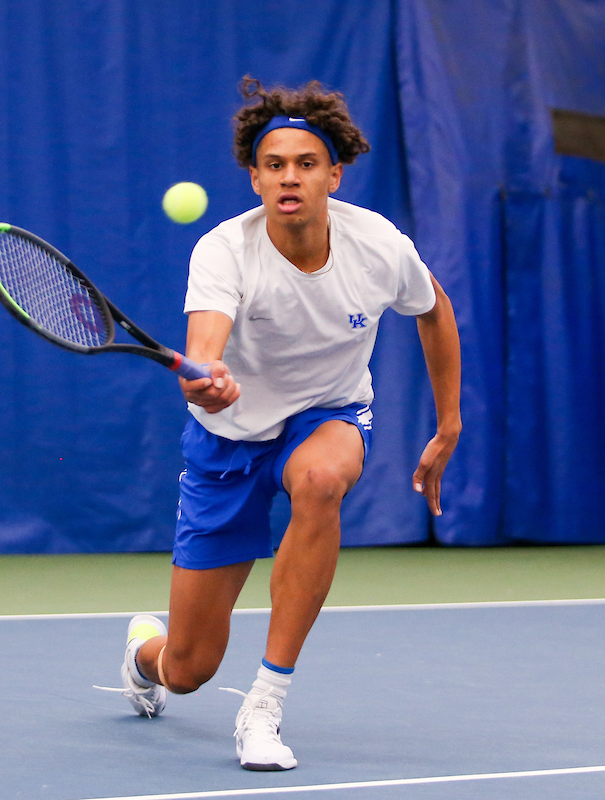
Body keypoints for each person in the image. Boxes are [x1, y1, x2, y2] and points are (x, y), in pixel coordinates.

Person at [112, 77, 462, 770]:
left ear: (335, 173)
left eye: (306, 163)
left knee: (324, 477)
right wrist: (208, 380)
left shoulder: (379, 245)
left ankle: (266, 704)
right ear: (254, 178)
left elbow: (433, 309)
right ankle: (142, 658)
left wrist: (448, 422)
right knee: (187, 668)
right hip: (229, 439)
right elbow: (206, 341)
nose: (290, 177)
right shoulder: (222, 249)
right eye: (274, 166)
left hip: (326, 414)